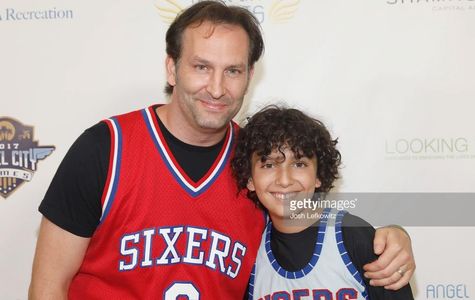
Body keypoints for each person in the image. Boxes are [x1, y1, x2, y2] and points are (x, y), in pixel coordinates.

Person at [29, 1, 414, 299]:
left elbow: (311, 217)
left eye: (232, 70)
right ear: (171, 68)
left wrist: (390, 237)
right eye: (201, 67)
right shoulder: (105, 148)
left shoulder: (259, 160)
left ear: (249, 76)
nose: (216, 88)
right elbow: (48, 287)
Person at [232, 105, 414, 299]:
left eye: (299, 164)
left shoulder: (353, 236)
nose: (284, 180)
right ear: (250, 179)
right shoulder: (249, 254)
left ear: (318, 175)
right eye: (269, 165)